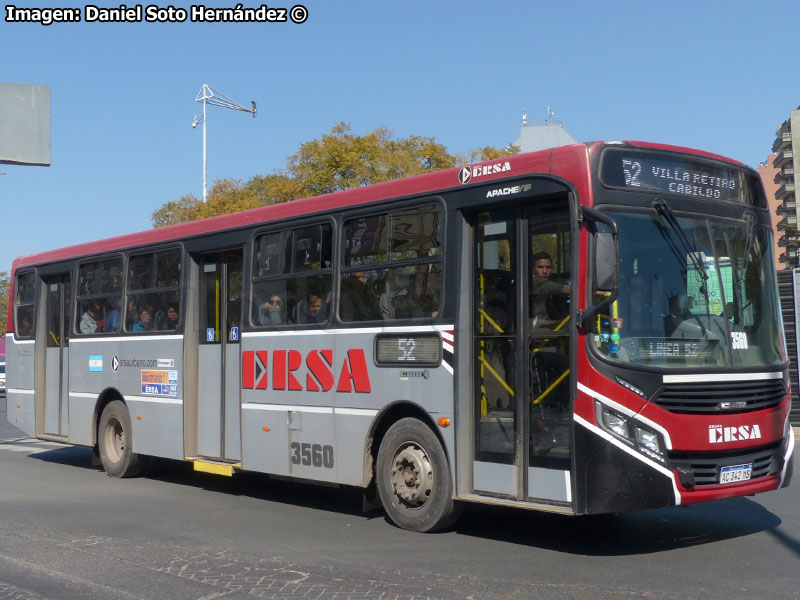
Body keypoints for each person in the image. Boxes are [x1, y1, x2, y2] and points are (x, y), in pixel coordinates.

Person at [531, 251, 570, 322]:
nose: (545, 271)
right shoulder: (531, 282)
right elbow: (553, 287)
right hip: (536, 328)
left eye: (548, 267)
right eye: (540, 267)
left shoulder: (551, 281)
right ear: (533, 269)